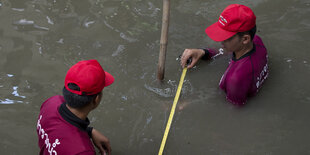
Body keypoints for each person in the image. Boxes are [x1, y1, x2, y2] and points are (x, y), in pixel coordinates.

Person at [181, 4, 268, 105]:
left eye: (226, 37)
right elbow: (226, 52)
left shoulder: (235, 79)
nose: (221, 41)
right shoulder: (257, 41)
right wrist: (203, 52)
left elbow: (232, 110)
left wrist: (187, 103)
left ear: (245, 39)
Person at [36, 59, 114, 155]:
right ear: (96, 99)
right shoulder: (83, 152)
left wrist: (89, 131)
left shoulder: (51, 102)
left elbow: (57, 131)